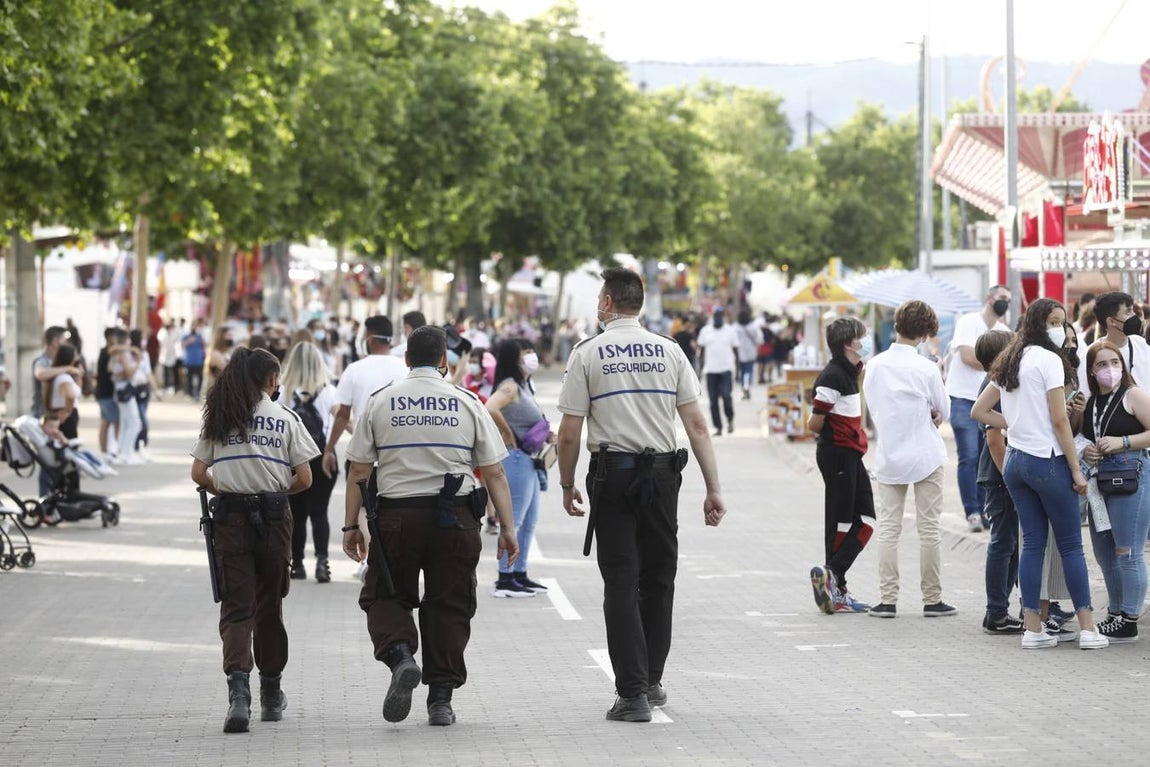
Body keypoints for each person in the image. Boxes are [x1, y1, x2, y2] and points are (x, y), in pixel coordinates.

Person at [557, 267, 725, 723]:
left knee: (620, 581)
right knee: (658, 577)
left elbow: (569, 432)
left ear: (608, 303)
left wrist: (568, 484)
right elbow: (696, 425)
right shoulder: (670, 351)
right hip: (663, 477)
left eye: (599, 298)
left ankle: (631, 694)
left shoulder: (588, 353)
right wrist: (713, 488)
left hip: (612, 476)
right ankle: (650, 680)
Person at [341, 326, 517, 727]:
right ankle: (440, 700)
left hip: (396, 519)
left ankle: (401, 655)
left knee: (385, 593)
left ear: (406, 359)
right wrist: (507, 528)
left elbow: (359, 471)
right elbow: (494, 472)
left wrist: (350, 525)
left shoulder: (381, 401)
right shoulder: (468, 402)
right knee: (450, 604)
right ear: (444, 361)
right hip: (456, 519)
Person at [190, 347, 319, 733]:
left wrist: (228, 489)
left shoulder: (221, 416)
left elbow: (198, 473)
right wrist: (273, 492)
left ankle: (238, 695)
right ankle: (271, 695)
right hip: (275, 521)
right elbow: (305, 478)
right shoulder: (286, 417)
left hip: (230, 520)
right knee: (269, 606)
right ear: (272, 380)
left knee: (236, 607)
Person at [972, 298, 1108, 650]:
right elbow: (1060, 420)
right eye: (1055, 322)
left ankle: (1032, 628)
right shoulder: (1049, 360)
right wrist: (1076, 469)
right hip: (1046, 460)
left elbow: (979, 411)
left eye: (1062, 322)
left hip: (1015, 461)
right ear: (1038, 324)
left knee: (1031, 544)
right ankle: (1088, 627)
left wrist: (1016, 423)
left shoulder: (1010, 358)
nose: (1060, 329)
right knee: (1071, 546)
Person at [862, 301, 956, 619]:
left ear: (897, 325)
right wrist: (930, 412)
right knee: (929, 529)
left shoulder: (874, 365)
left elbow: (874, 407)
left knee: (889, 528)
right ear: (926, 331)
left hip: (890, 455)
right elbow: (944, 410)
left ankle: (887, 599)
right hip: (925, 454)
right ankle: (932, 599)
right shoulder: (926, 368)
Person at [322, 316, 408, 579]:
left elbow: (341, 414)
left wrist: (329, 448)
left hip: (364, 451)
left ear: (369, 338)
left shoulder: (355, 369)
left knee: (363, 508)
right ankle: (392, 560)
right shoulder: (404, 369)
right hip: (398, 450)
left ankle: (369, 559)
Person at [1080, 341, 1150, 643]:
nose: (1109, 369)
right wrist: (1087, 450)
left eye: (1114, 362)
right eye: (1101, 364)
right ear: (1091, 371)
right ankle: (1116, 612)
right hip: (1100, 482)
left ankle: (1129, 619)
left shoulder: (1133, 394)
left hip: (1131, 475)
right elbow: (1083, 436)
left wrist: (1123, 442)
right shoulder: (1091, 402)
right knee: (1105, 553)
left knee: (1128, 551)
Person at [807, 317, 875, 615]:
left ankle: (832, 575)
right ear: (849, 343)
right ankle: (835, 583)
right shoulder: (832, 376)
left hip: (851, 454)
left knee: (866, 520)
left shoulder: (851, 371)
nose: (866, 340)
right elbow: (814, 423)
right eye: (862, 336)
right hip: (837, 454)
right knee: (841, 521)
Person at [485, 339, 550, 597]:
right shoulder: (510, 385)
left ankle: (519, 573)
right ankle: (505, 578)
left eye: (533, 351)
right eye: (527, 352)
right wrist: (508, 433)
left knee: (530, 520)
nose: (532, 356)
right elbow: (490, 406)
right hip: (516, 458)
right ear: (514, 359)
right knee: (514, 520)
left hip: (529, 458)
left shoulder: (523, 385)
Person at [945, 285, 1013, 532]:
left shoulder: (1005, 331)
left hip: (992, 399)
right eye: (1002, 298)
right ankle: (972, 510)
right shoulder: (968, 322)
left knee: (987, 455)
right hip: (963, 398)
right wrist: (997, 363)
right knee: (969, 455)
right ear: (989, 298)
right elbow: (967, 356)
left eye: (1008, 300)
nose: (1005, 303)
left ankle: (986, 509)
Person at [973, 330, 1024, 634]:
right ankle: (996, 612)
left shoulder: (997, 382)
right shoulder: (996, 385)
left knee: (1011, 544)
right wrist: (1011, 478)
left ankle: (999, 609)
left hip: (1000, 475)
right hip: (1001, 475)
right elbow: (995, 440)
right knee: (1004, 543)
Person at [278, 341, 340, 584]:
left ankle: (297, 564)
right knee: (320, 511)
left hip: (293, 459)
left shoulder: (283, 392)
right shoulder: (329, 391)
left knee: (296, 513)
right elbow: (343, 420)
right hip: (322, 456)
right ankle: (322, 562)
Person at [1077, 291, 1150, 392]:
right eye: (1128, 312)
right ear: (1111, 321)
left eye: (1132, 311)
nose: (1134, 316)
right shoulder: (1089, 355)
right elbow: (1085, 394)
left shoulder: (1143, 345)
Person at [695, 307, 739, 436]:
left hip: (726, 369)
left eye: (720, 315)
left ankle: (730, 418)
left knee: (726, 395)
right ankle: (718, 427)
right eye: (716, 315)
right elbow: (701, 352)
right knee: (713, 400)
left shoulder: (730, 331)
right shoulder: (705, 331)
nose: (718, 318)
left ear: (723, 317)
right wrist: (699, 371)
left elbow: (736, 351)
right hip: (711, 370)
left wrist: (738, 370)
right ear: (712, 316)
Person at [107, 329, 144, 465]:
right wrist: (138, 363)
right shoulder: (123, 354)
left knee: (125, 423)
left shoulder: (117, 353)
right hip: (125, 390)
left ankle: (123, 453)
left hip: (120, 390)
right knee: (135, 423)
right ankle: (126, 454)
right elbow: (129, 373)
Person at [734, 308, 762, 401]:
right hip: (750, 352)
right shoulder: (753, 327)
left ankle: (744, 387)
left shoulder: (735, 327)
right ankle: (747, 385)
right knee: (749, 370)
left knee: (742, 371)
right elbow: (759, 339)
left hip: (739, 352)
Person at [183, 320, 207, 399]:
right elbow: (182, 345)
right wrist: (189, 341)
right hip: (189, 361)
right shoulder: (186, 336)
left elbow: (205, 345)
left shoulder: (199, 336)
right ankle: (190, 393)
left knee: (200, 377)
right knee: (189, 377)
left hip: (199, 360)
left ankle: (198, 392)